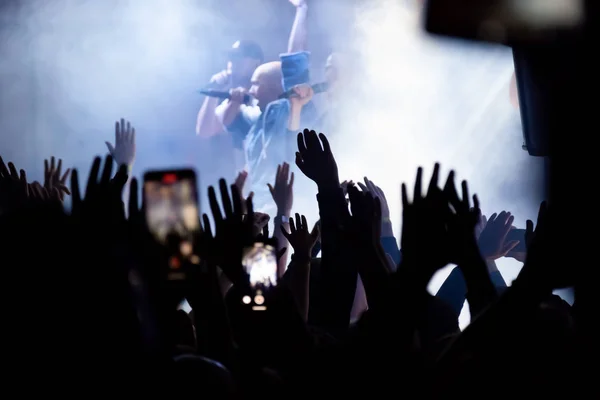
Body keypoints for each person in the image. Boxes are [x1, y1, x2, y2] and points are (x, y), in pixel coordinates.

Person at [195, 40, 264, 182]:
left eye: (239, 56)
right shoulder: (233, 100)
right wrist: (213, 93)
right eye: (231, 56)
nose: (232, 61)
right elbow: (205, 130)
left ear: (256, 63)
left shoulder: (268, 93)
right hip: (248, 186)